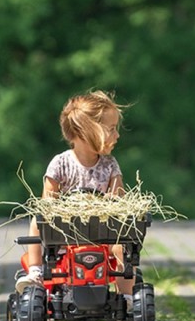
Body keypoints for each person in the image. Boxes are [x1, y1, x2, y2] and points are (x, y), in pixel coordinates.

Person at [15, 90, 135, 304]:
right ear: (88, 131)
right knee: (37, 220)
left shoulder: (110, 165)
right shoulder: (60, 163)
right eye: (111, 129)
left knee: (122, 245)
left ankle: (126, 299)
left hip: (101, 233)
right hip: (65, 232)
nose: (117, 135)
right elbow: (48, 202)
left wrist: (110, 204)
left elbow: (118, 202)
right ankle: (36, 272)